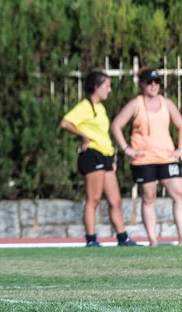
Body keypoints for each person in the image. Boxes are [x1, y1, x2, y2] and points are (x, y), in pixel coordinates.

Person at [60, 71, 136, 247]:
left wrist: (111, 158)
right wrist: (83, 136)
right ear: (96, 87)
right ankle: (91, 239)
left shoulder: (101, 108)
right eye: (106, 86)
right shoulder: (85, 106)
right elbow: (65, 122)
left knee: (115, 200)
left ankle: (123, 237)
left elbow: (103, 134)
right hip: (92, 155)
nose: (109, 90)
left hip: (105, 156)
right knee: (93, 199)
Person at [111, 68, 182, 246]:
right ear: (142, 83)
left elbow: (180, 125)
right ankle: (153, 240)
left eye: (156, 82)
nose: (153, 86)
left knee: (179, 194)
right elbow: (116, 125)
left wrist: (180, 149)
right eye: (149, 82)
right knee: (149, 197)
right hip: (144, 159)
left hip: (166, 157)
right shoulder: (136, 104)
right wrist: (127, 149)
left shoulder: (166, 103)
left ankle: (181, 238)